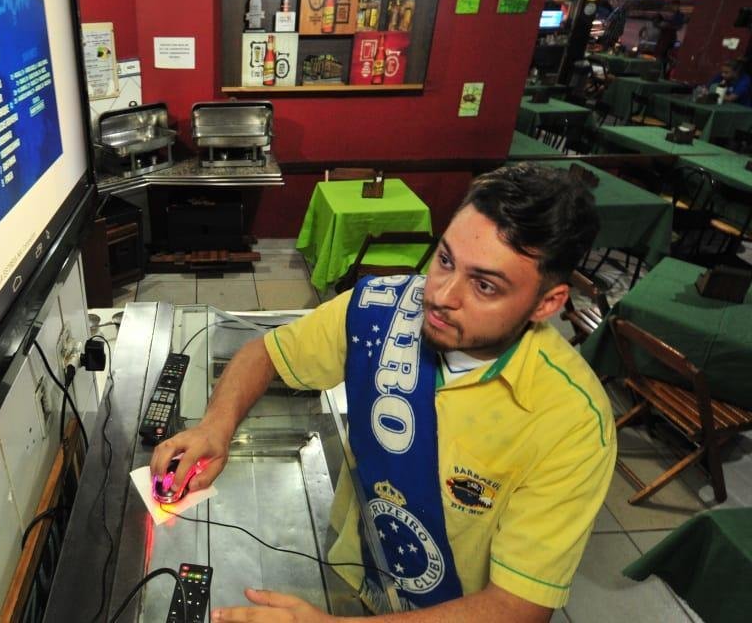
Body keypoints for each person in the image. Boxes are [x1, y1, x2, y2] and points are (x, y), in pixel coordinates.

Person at [151, 163, 616, 622]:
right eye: (446, 260)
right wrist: (215, 427)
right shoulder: (379, 309)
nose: (440, 295)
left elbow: (516, 608)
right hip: (360, 572)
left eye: (484, 285)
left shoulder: (571, 421)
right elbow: (264, 354)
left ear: (546, 303)